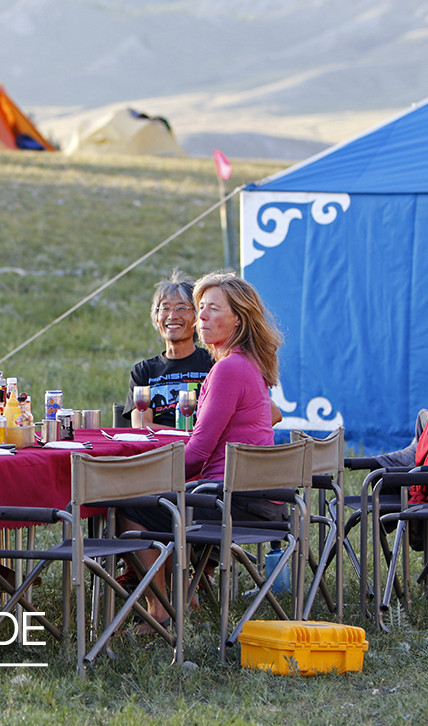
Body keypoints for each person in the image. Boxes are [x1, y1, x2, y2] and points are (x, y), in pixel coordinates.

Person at [117, 270, 285, 629]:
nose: (202, 317)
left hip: (231, 503)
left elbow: (196, 454)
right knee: (155, 497)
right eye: (202, 308)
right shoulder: (246, 363)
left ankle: (161, 609)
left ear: (238, 318)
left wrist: (138, 475)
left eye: (211, 309)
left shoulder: (228, 370)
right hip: (257, 499)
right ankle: (186, 594)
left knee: (129, 503)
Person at [123, 269, 214, 429]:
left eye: (181, 308)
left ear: (197, 317)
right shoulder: (143, 371)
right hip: (159, 452)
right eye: (165, 309)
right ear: (157, 319)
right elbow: (141, 425)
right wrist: (186, 436)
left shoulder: (215, 363)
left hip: (205, 451)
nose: (172, 316)